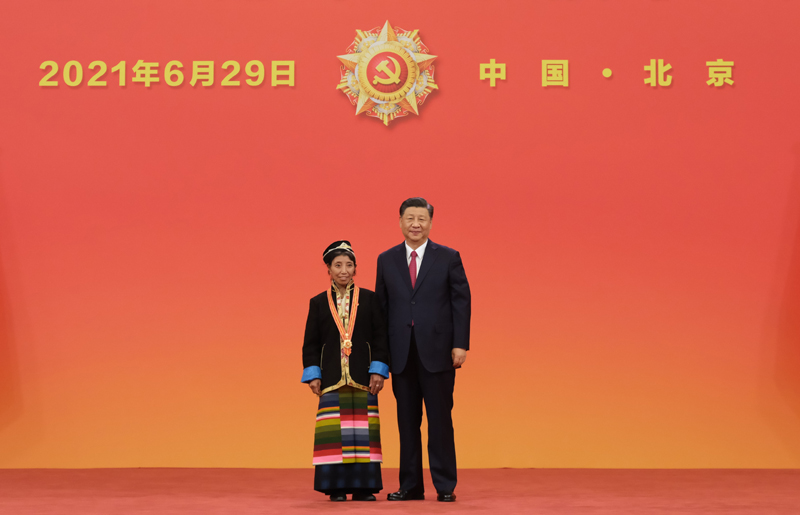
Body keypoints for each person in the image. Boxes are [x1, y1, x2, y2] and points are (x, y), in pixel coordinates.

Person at [375, 198, 471, 503]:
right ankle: (410, 486)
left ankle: (445, 485)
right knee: (407, 423)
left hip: (439, 352)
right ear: (400, 221)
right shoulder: (386, 259)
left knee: (440, 421)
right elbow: (381, 310)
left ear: (430, 223)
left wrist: (460, 344)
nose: (415, 224)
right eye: (410, 218)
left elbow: (461, 302)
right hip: (401, 354)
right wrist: (381, 355)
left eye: (422, 219)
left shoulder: (448, 257)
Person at [301, 240, 390, 502]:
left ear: (355, 268)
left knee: (363, 433)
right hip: (331, 378)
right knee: (333, 435)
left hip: (363, 376)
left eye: (349, 265)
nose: (344, 270)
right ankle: (336, 487)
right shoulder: (318, 303)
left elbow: (381, 338)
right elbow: (310, 343)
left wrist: (378, 370)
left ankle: (364, 487)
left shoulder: (370, 299)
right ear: (328, 269)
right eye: (338, 265)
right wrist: (313, 374)